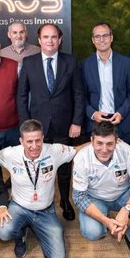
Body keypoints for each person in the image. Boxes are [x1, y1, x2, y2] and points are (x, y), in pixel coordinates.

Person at [17, 23, 84, 221]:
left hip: (65, 125)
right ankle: (41, 204)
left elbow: (78, 94)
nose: (49, 41)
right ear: (39, 40)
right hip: (37, 129)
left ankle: (64, 200)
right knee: (39, 168)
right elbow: (21, 97)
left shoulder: (70, 62)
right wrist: (26, 129)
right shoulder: (29, 63)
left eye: (53, 37)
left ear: (60, 40)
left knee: (64, 168)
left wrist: (77, 122)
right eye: (45, 37)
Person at [0, 119, 78, 258]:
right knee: (4, 232)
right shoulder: (10, 153)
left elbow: (76, 150)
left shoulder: (54, 151)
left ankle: (39, 229)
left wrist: (100, 143)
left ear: (43, 138)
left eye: (38, 140)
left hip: (45, 210)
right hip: (19, 207)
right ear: (21, 141)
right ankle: (20, 235)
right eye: (29, 141)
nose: (34, 146)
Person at [72, 121, 130, 258]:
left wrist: (126, 210)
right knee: (92, 232)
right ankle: (111, 225)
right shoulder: (81, 158)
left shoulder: (125, 149)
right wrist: (106, 221)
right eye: (99, 143)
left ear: (117, 141)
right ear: (91, 141)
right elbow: (79, 197)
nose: (104, 149)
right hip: (95, 198)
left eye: (109, 144)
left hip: (123, 195)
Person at [81, 22, 130, 143]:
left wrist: (121, 113)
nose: (101, 39)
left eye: (105, 35)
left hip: (120, 123)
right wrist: (92, 114)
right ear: (93, 40)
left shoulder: (126, 63)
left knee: (122, 161)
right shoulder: (85, 64)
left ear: (111, 37)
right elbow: (80, 96)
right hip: (95, 124)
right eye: (97, 36)